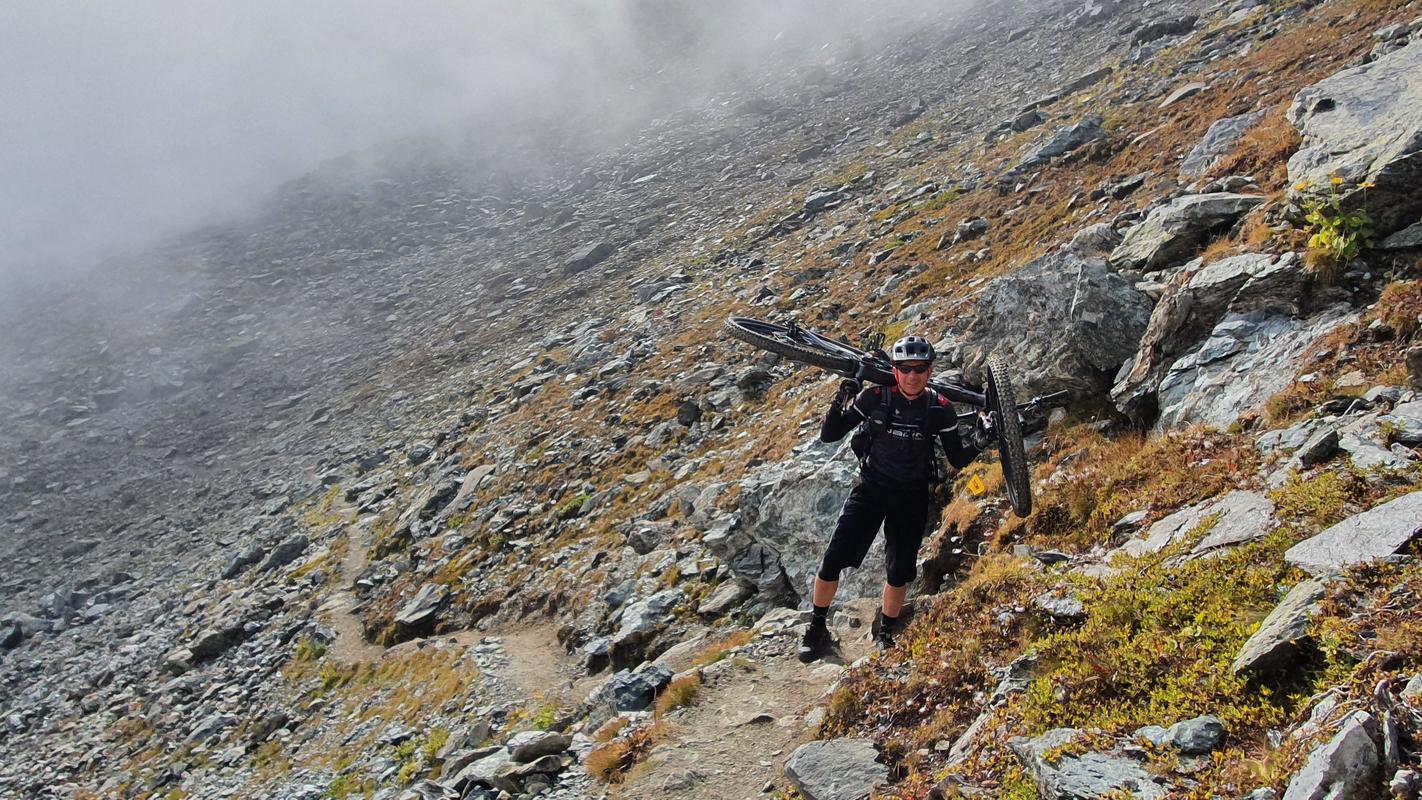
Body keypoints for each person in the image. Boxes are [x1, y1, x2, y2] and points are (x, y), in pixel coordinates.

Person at [799, 335, 985, 662]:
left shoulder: (940, 408)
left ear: (931, 370)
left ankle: (885, 632)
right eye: (905, 368)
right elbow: (830, 435)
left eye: (921, 369)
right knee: (833, 561)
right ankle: (816, 629)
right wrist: (841, 398)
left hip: (912, 495)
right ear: (895, 369)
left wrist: (982, 441)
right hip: (870, 488)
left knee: (899, 571)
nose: (912, 376)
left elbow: (957, 458)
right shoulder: (874, 397)